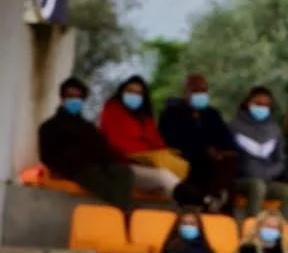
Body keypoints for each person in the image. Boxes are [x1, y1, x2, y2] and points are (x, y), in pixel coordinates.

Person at [36, 77, 134, 210]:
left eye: (78, 97)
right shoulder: (49, 127)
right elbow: (47, 156)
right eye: (70, 96)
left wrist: (114, 162)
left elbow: (103, 148)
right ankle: (121, 215)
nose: (74, 100)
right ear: (62, 98)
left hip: (96, 166)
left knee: (123, 172)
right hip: (73, 169)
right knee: (99, 180)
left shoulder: (88, 127)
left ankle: (122, 213)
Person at [159, 73, 239, 211]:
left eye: (203, 90)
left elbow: (226, 140)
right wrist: (203, 149)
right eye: (195, 90)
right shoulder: (171, 114)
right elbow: (170, 141)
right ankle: (208, 203)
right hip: (186, 161)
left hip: (214, 164)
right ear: (185, 92)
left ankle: (222, 214)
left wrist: (221, 152)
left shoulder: (212, 115)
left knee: (228, 165)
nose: (200, 94)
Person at [98, 75, 187, 199]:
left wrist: (164, 155)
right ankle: (192, 206)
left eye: (139, 93)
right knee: (164, 177)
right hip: (122, 166)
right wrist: (146, 155)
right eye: (130, 91)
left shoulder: (145, 117)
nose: (134, 95)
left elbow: (157, 142)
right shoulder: (112, 110)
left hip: (146, 165)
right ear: (122, 92)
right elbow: (115, 143)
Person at [231, 86, 288, 223]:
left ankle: (282, 231)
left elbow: (280, 160)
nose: (262, 108)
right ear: (248, 103)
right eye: (258, 103)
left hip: (266, 179)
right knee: (257, 186)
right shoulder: (234, 126)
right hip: (242, 180)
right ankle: (251, 228)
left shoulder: (274, 130)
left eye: (266, 105)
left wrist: (268, 172)